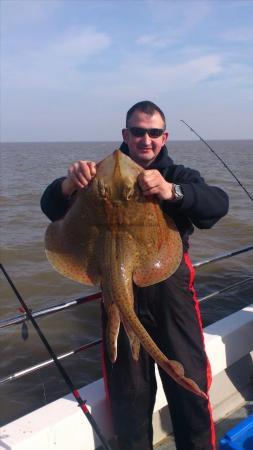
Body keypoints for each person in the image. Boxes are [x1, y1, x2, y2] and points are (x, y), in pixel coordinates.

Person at [41, 101, 229, 450]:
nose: (146, 139)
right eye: (138, 131)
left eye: (154, 132)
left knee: (189, 392)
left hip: (171, 300)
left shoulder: (178, 175)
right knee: (129, 401)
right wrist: (68, 184)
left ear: (164, 137)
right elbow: (51, 208)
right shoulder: (96, 177)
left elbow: (217, 204)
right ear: (125, 135)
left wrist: (172, 191)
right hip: (115, 291)